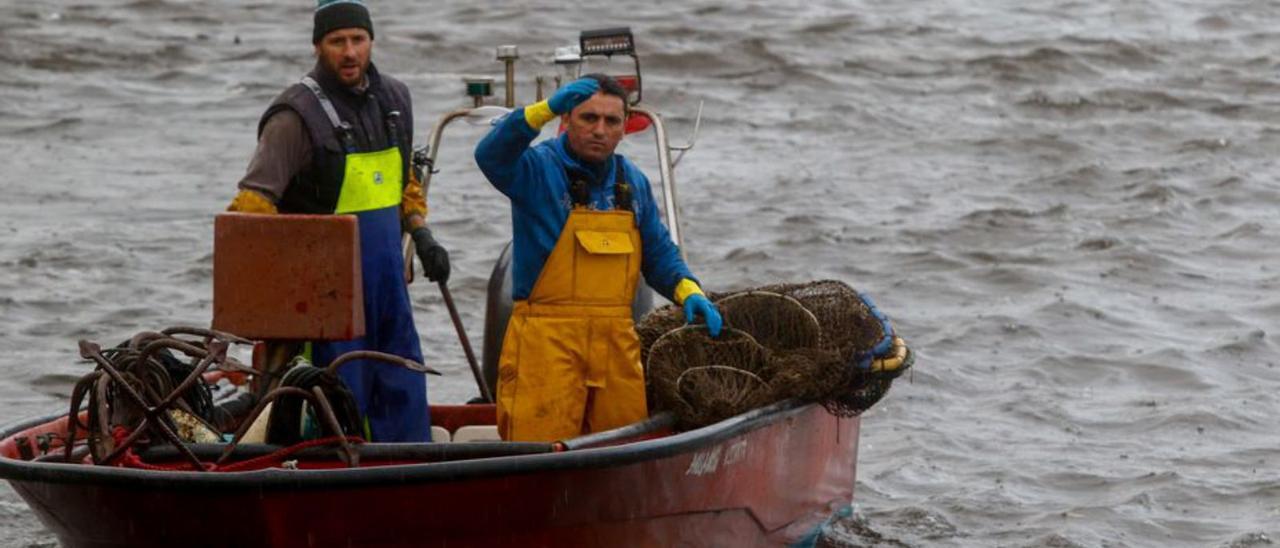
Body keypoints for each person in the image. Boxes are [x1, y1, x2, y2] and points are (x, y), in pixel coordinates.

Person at [225, 0, 448, 442]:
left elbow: (403, 184)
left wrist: (421, 235)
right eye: (337, 41)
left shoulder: (395, 101)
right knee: (334, 406)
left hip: (388, 293)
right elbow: (252, 208)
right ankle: (331, 480)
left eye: (358, 40)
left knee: (404, 391)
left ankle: (413, 479)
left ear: (371, 42)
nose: (349, 52)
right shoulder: (294, 117)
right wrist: (264, 308)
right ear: (317, 46)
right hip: (323, 303)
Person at [474, 74, 724, 442]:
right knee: (541, 451)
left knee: (624, 448)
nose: (599, 130)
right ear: (566, 121)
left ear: (625, 127)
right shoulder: (535, 170)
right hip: (547, 344)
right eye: (588, 118)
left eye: (611, 121)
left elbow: (657, 251)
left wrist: (689, 292)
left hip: (616, 347)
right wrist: (543, 109)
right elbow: (490, 155)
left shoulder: (632, 181)